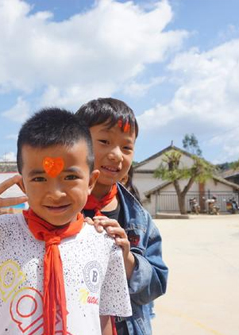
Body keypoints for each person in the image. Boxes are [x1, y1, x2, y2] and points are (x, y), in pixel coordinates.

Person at [0, 108, 132, 335]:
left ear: (91, 181)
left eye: (70, 177)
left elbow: (103, 318)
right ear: (22, 185)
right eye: (39, 178)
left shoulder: (103, 243)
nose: (55, 192)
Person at [76, 98, 168, 335]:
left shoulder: (141, 220)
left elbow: (157, 283)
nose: (117, 155)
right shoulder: (55, 210)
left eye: (126, 147)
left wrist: (127, 259)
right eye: (105, 141)